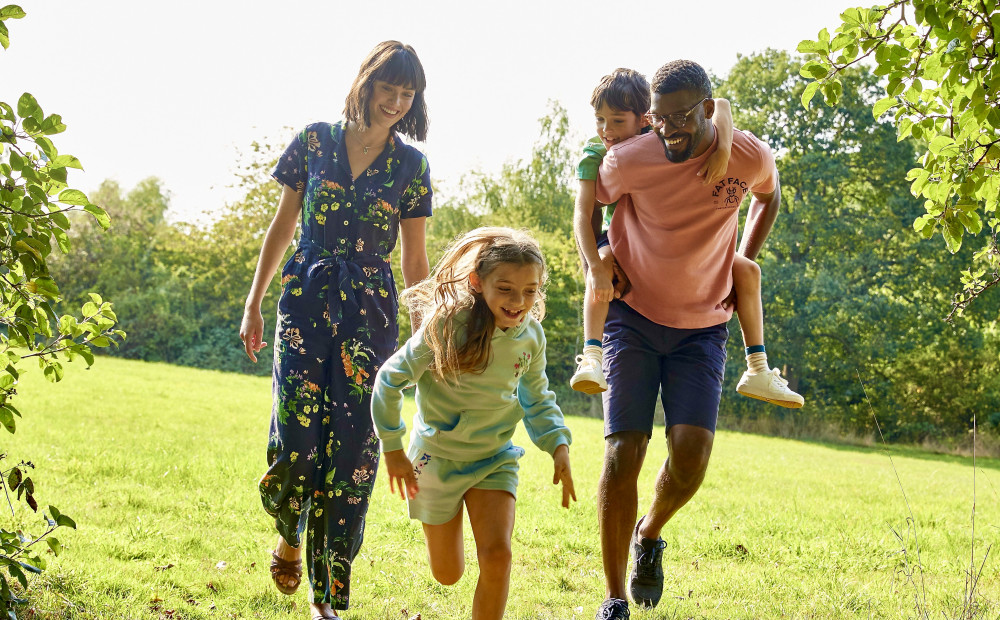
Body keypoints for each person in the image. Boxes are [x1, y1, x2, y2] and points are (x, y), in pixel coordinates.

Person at [591, 60, 799, 620]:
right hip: (631, 317)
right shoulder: (634, 157)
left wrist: (743, 260)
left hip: (703, 327)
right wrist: (602, 258)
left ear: (709, 109)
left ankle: (650, 533)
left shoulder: (747, 155)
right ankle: (613, 601)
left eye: (682, 117)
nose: (669, 130)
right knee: (622, 451)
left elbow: (769, 194)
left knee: (690, 457)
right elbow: (589, 198)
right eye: (660, 119)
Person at [238, 41, 433, 620]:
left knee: (353, 451)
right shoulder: (314, 141)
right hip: (303, 300)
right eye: (388, 88)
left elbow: (416, 263)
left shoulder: (413, 167)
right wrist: (255, 302)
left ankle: (330, 597)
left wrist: (424, 334)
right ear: (366, 83)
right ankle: (289, 532)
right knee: (296, 443)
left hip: (370, 314)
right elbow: (281, 226)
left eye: (408, 93)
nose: (396, 102)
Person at [371, 227, 576, 620]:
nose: (519, 302)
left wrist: (558, 444)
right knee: (448, 574)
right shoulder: (447, 326)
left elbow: (536, 397)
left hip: (494, 458)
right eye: (506, 289)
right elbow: (389, 379)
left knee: (498, 557)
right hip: (436, 459)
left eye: (530, 291)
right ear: (476, 283)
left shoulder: (531, 336)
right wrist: (393, 449)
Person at [570, 68, 802, 411]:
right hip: (613, 240)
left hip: (700, 309)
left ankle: (758, 368)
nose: (607, 131)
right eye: (600, 120)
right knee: (601, 270)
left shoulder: (665, 134)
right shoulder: (604, 154)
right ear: (653, 116)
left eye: (617, 121)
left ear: (641, 119)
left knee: (748, 270)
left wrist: (723, 149)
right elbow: (585, 210)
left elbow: (720, 104)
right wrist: (594, 264)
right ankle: (592, 354)